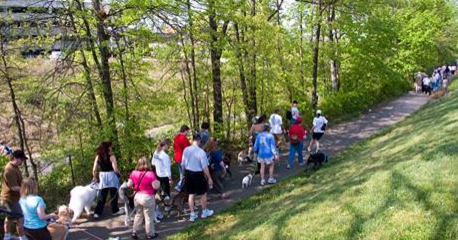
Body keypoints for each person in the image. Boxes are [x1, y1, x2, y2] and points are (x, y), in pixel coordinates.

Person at [181, 134, 214, 222]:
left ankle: (192, 214)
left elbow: (183, 164)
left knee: (191, 194)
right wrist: (209, 177)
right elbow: (204, 167)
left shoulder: (186, 150)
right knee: (203, 193)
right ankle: (204, 212)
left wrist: (184, 174)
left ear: (193, 140)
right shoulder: (201, 152)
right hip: (198, 174)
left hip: (188, 173)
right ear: (199, 141)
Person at [127, 157, 160, 239]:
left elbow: (128, 185)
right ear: (147, 164)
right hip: (148, 197)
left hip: (137, 197)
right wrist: (158, 182)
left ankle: (134, 232)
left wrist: (135, 188)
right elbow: (155, 187)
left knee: (138, 215)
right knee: (148, 217)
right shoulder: (150, 174)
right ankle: (150, 234)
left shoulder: (134, 172)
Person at [92, 142, 123, 219]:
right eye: (110, 147)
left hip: (102, 176)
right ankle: (115, 210)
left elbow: (94, 169)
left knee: (102, 195)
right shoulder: (112, 157)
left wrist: (95, 177)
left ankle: (97, 212)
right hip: (111, 175)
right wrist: (119, 174)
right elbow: (115, 169)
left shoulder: (98, 157)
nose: (111, 148)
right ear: (107, 148)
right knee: (114, 193)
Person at [1, 150, 27, 240]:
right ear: (15, 158)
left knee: (10, 218)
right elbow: (13, 187)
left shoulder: (15, 166)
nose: (22, 161)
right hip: (9, 199)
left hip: (13, 198)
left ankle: (7, 236)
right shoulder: (9, 170)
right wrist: (26, 190)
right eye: (21, 159)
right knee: (20, 218)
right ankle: (22, 237)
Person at [173, 125, 191, 191]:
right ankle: (179, 186)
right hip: (182, 158)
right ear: (185, 130)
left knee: (181, 173)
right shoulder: (184, 138)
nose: (187, 133)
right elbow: (188, 149)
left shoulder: (176, 137)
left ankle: (182, 186)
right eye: (187, 131)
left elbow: (174, 147)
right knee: (184, 173)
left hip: (177, 157)